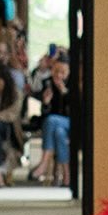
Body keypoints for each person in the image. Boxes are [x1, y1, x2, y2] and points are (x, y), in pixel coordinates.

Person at [29, 56, 72, 186]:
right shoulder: (47, 83)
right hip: (54, 128)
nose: (58, 75)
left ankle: (44, 162)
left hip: (71, 123)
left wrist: (65, 93)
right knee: (59, 133)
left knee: (51, 120)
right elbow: (44, 114)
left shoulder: (72, 84)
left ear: (68, 71)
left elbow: (76, 110)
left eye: (62, 72)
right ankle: (67, 176)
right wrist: (46, 103)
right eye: (56, 71)